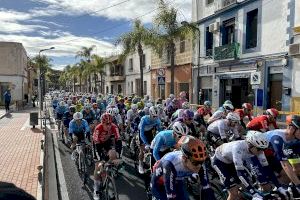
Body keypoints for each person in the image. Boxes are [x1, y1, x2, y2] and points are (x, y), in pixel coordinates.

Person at [212, 131, 287, 200]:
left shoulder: (258, 149)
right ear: (250, 145)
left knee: (243, 188)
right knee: (234, 193)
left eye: (263, 149)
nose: (261, 152)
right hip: (219, 162)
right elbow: (240, 173)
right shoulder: (238, 148)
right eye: (259, 149)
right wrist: (253, 193)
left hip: (231, 160)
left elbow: (267, 169)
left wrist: (279, 187)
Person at [151, 136, 208, 200]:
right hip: (160, 183)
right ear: (184, 158)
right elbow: (171, 196)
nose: (199, 166)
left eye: (201, 162)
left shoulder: (198, 160)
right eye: (195, 163)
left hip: (176, 179)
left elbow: (207, 189)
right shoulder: (170, 164)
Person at [264, 115, 300, 188]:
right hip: (258, 155)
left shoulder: (293, 138)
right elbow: (285, 164)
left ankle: (285, 188)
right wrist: (298, 185)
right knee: (287, 171)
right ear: (291, 128)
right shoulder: (277, 138)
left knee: (291, 173)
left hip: (270, 155)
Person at [138, 106, 162, 174]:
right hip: (142, 132)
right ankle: (140, 164)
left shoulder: (157, 120)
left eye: (156, 116)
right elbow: (142, 133)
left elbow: (160, 132)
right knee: (142, 150)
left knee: (153, 149)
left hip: (149, 132)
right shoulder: (144, 119)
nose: (155, 118)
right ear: (150, 114)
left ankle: (152, 164)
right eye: (154, 116)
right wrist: (146, 143)